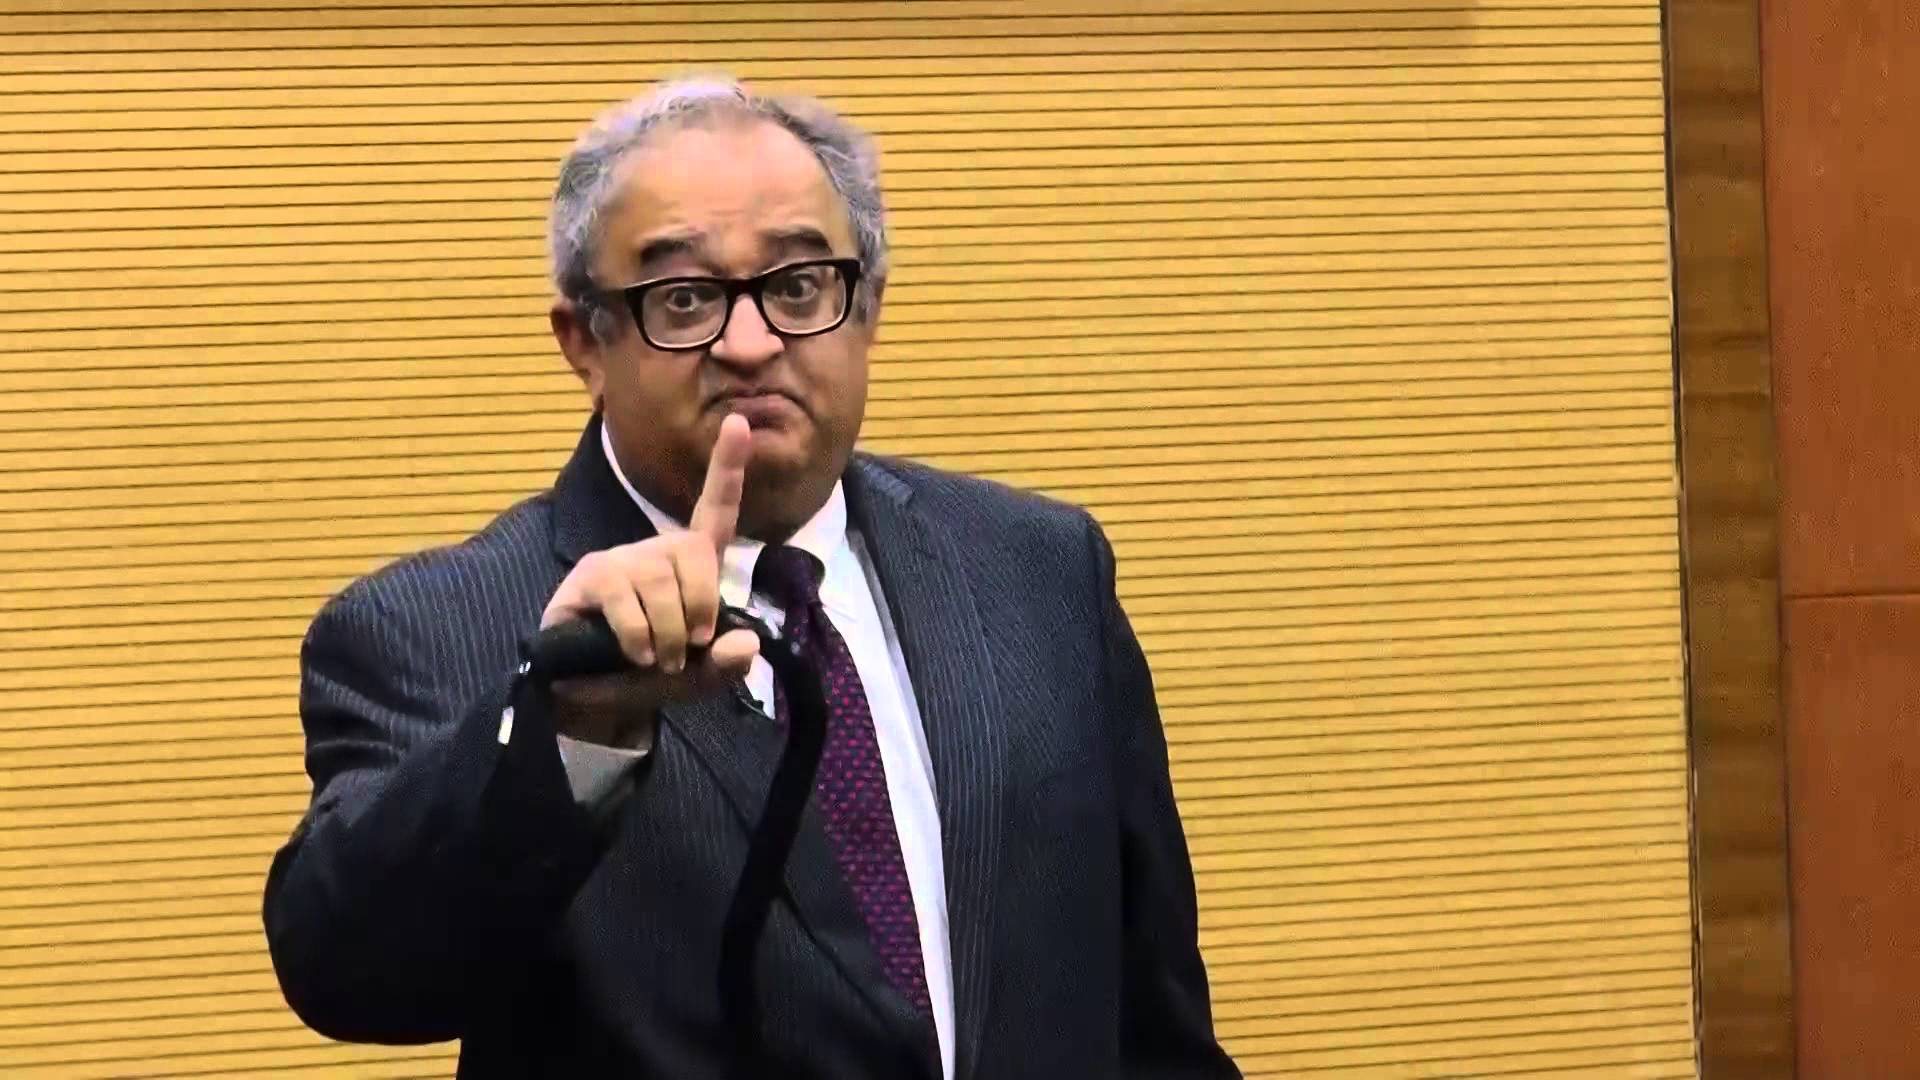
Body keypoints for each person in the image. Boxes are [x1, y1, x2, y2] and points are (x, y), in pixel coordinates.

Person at [262, 75, 1241, 1080]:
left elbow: (1156, 1021)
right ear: (585, 343)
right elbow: (351, 970)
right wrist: (571, 726)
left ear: (868, 306)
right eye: (684, 299)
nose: (750, 343)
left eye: (799, 285)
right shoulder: (437, 627)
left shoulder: (1039, 570)